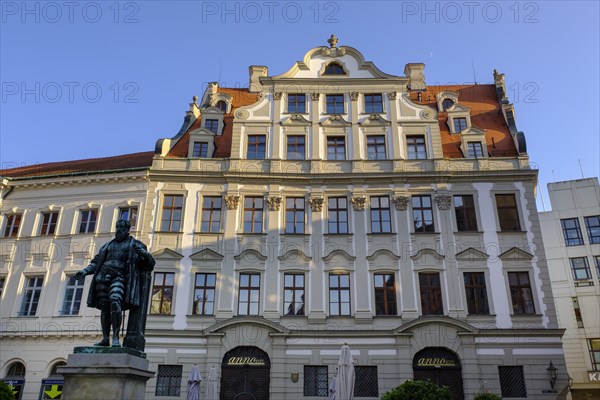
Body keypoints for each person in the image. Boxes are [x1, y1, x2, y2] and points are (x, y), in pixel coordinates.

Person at [75, 219, 155, 347]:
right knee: (105, 308)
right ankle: (106, 338)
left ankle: (116, 337)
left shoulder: (134, 244)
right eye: (117, 227)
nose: (119, 230)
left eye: (122, 228)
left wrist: (145, 255)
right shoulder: (107, 246)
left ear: (128, 230)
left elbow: (149, 264)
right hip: (102, 278)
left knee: (115, 300)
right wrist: (85, 271)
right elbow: (96, 262)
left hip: (120, 277)